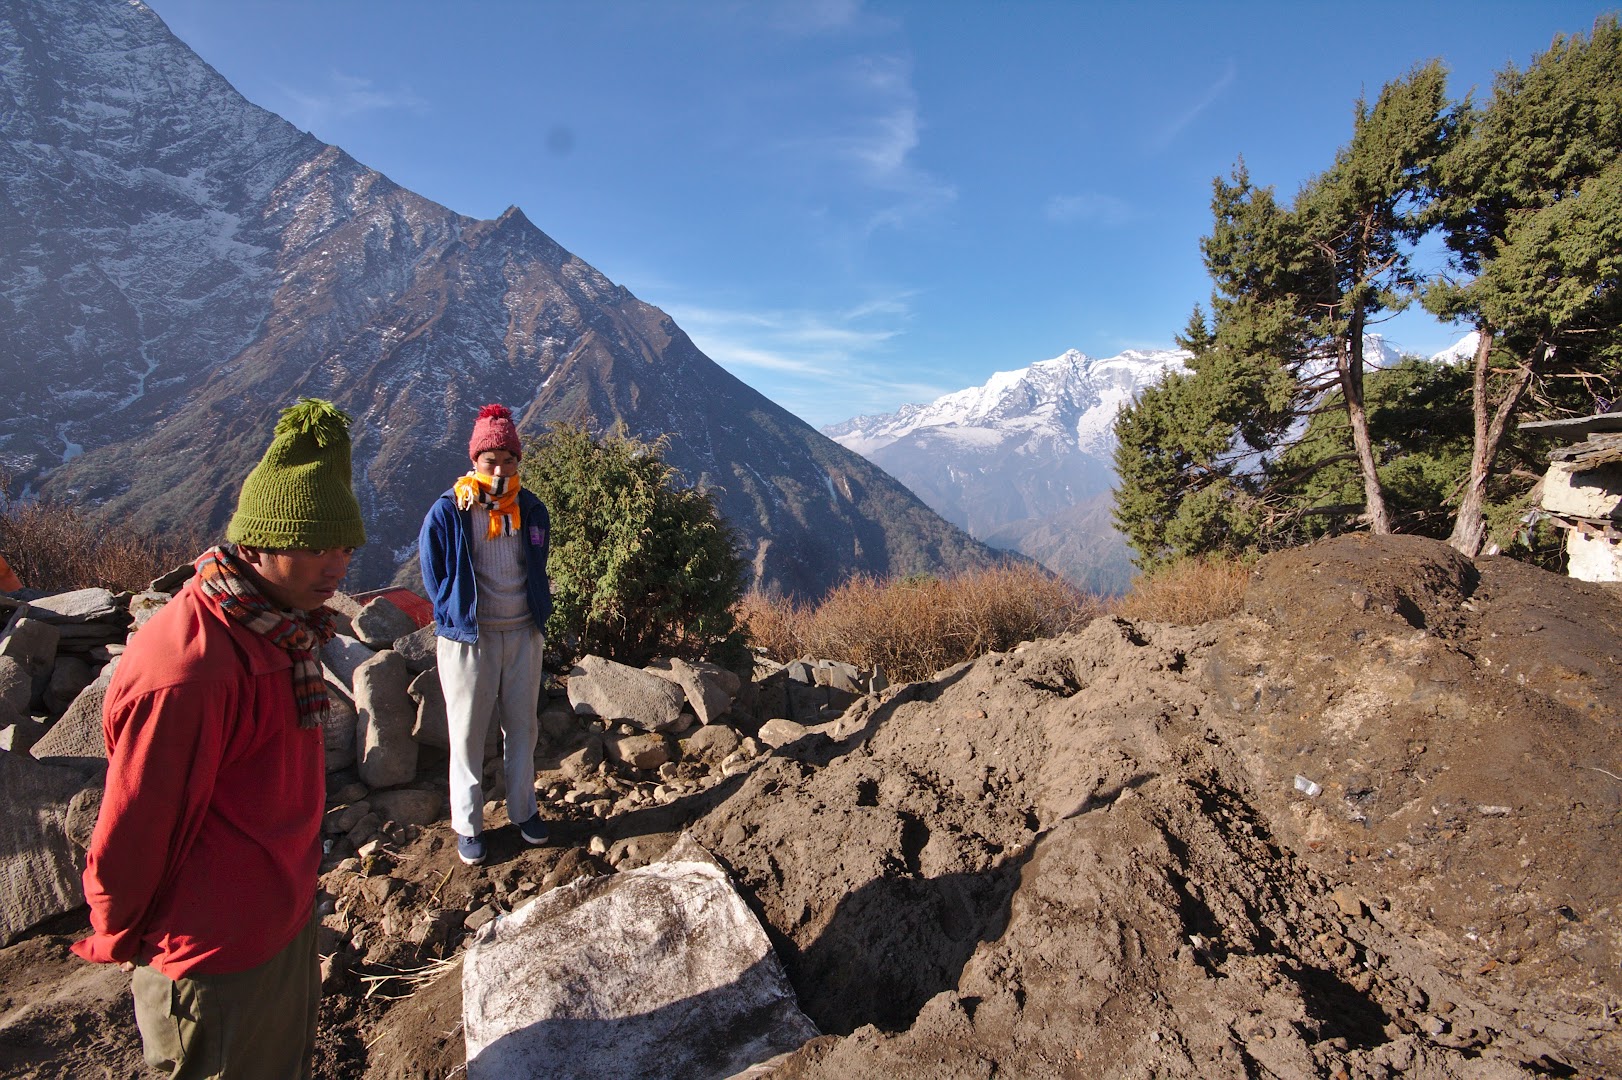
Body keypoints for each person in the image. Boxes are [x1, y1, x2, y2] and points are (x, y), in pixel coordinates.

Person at [72, 398, 366, 1079]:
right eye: (315, 545)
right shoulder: (192, 669)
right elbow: (136, 825)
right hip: (211, 959)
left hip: (277, 925)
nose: (336, 566)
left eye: (345, 546)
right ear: (260, 541)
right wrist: (119, 932)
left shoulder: (282, 628)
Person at [418, 404, 553, 866]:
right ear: (475, 461)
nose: (499, 468)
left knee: (522, 728)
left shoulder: (532, 510)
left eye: (508, 459)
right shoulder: (448, 511)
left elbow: (537, 565)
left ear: (518, 461)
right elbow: (433, 574)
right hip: (468, 639)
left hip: (522, 633)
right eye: (490, 460)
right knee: (468, 734)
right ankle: (469, 826)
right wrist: (455, 613)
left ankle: (525, 811)